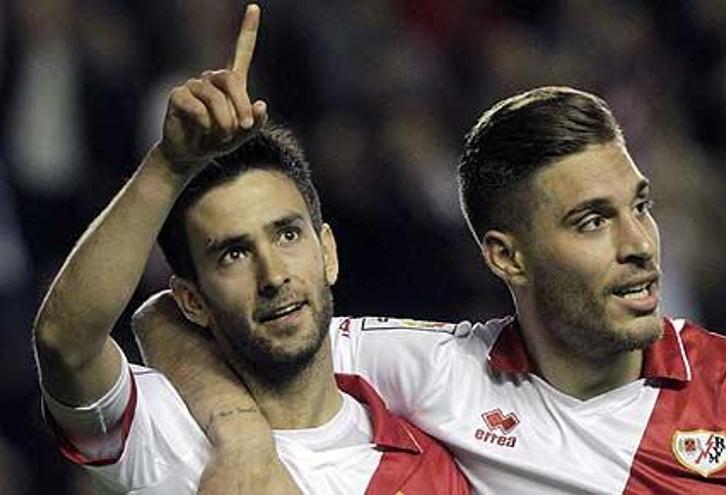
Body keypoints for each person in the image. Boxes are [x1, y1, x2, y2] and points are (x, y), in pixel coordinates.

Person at [136, 85, 726, 494]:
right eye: (591, 221)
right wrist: (238, 437)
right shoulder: (436, 372)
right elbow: (173, 317)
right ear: (505, 256)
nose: (639, 244)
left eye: (639, 207)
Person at [31, 5, 470, 495]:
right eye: (233, 254)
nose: (273, 274)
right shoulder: (161, 430)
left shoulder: (435, 465)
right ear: (191, 299)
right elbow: (63, 343)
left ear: (328, 251)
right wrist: (169, 165)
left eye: (287, 234)